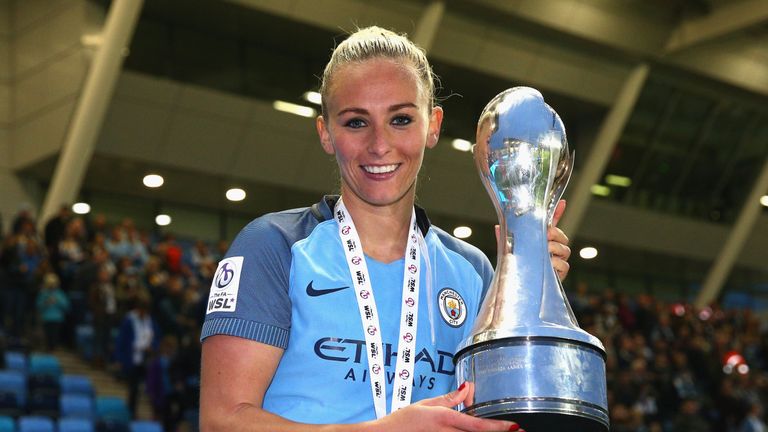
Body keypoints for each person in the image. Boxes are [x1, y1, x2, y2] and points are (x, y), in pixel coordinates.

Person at [200, 26, 571, 431]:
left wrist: (527, 294)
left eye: (401, 119)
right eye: (356, 123)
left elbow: (500, 414)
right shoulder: (275, 247)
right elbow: (222, 421)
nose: (380, 145)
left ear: (433, 125)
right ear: (326, 133)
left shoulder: (473, 271)